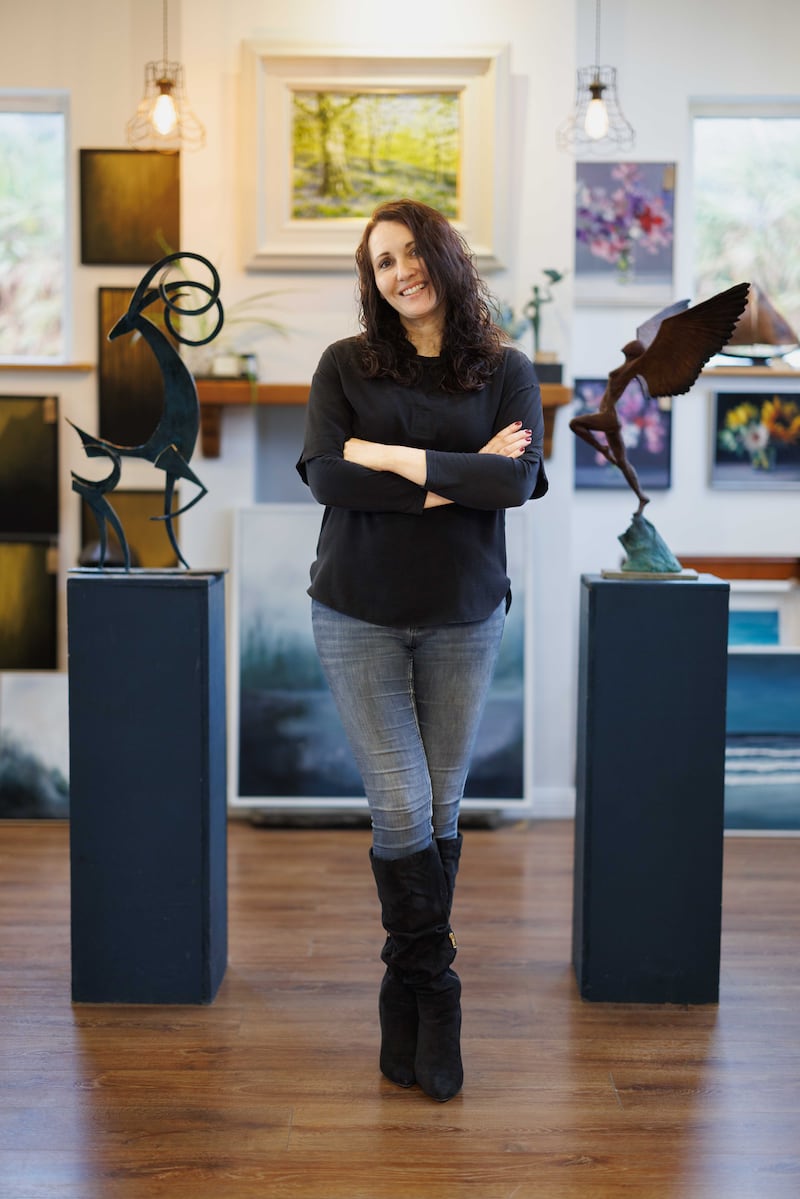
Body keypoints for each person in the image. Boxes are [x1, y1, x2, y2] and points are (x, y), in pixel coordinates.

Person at [296, 198, 548, 1103]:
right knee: (402, 804)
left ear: (443, 256)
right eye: (382, 261)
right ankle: (436, 990)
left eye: (410, 252)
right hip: (357, 611)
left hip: (464, 614)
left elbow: (517, 481)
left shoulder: (505, 368)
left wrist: (390, 456)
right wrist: (456, 475)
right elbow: (326, 474)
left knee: (440, 809)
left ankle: (405, 996)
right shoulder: (345, 364)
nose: (399, 271)